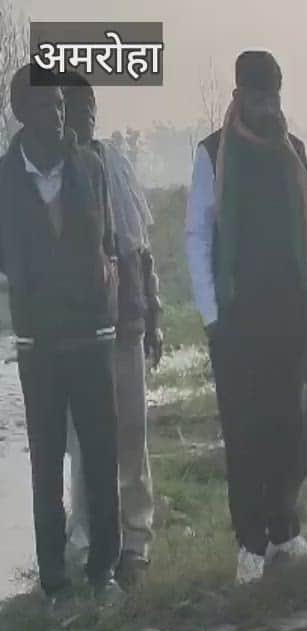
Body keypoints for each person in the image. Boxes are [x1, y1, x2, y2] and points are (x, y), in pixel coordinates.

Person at [185, 50, 307, 584]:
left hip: (289, 311)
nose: (268, 106)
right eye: (258, 96)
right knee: (245, 434)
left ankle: (285, 531)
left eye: (274, 95)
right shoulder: (213, 154)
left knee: (288, 427)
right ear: (239, 96)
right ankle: (250, 544)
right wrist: (212, 317)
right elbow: (198, 236)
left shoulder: (294, 151)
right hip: (237, 317)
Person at [0, 65, 122, 604]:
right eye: (43, 107)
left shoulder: (89, 166)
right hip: (38, 343)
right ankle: (54, 582)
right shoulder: (3, 179)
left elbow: (110, 241)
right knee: (46, 462)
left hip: (92, 333)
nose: (55, 116)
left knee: (102, 456)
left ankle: (105, 572)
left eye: (58, 105)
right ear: (19, 114)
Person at [61, 74, 163, 590]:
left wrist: (155, 315)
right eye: (76, 108)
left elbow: (139, 249)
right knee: (85, 443)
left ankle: (135, 539)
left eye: (90, 106)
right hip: (81, 333)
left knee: (132, 436)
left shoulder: (114, 166)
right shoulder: (58, 174)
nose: (86, 116)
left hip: (125, 324)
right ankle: (85, 539)